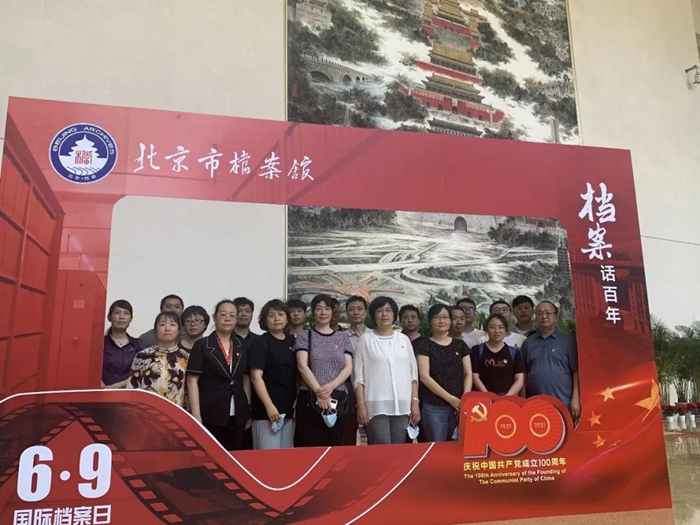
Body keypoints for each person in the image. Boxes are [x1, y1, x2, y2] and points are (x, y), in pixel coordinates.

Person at [354, 297, 420, 445]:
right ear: (373, 315)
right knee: (381, 448)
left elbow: (413, 375)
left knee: (399, 449)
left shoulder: (404, 339)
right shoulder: (365, 340)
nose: (384, 314)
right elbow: (358, 377)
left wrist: (415, 402)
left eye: (388, 310)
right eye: (380, 311)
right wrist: (361, 406)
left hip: (403, 405)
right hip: (375, 405)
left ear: (394, 315)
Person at [187, 300, 251, 451]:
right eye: (223, 314)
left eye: (232, 315)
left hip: (238, 413)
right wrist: (196, 414)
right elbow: (192, 380)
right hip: (210, 412)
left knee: (234, 455)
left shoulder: (242, 345)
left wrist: (247, 409)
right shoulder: (202, 345)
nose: (227, 318)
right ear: (214, 318)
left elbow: (245, 378)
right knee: (211, 455)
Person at [294, 294, 354, 447]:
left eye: (327, 309)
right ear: (313, 312)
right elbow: (302, 366)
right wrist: (319, 392)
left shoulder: (342, 337)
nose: (323, 312)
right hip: (310, 398)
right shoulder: (304, 336)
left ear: (332, 312)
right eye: (319, 308)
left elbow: (348, 367)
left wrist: (330, 387)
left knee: (335, 446)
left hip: (337, 397)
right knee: (309, 446)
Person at [416, 305, 473, 442]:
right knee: (438, 446)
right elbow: (424, 377)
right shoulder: (424, 345)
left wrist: (464, 399)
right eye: (437, 317)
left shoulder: (460, 345)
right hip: (434, 406)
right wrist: (451, 399)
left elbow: (468, 373)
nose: (442, 321)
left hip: (459, 405)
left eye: (445, 317)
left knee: (459, 446)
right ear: (430, 321)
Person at [249, 300, 297, 450]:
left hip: (288, 410)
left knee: (286, 457)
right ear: (265, 320)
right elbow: (256, 377)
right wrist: (269, 406)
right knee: (267, 457)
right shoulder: (260, 342)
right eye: (271, 315)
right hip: (266, 412)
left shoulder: (292, 341)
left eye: (281, 314)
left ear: (287, 318)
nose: (276, 319)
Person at [522, 301, 580, 421]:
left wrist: (575, 399)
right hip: (535, 402)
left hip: (563, 401)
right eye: (539, 313)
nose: (544, 316)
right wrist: (523, 401)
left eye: (548, 313)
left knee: (564, 431)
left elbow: (576, 371)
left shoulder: (568, 341)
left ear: (556, 316)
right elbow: (523, 374)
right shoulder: (528, 343)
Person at [128, 311, 189, 407]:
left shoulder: (186, 357)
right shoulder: (143, 355)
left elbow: (190, 391)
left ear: (178, 331)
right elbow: (132, 387)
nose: (167, 328)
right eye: (162, 324)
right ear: (156, 330)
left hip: (177, 412)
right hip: (147, 410)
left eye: (172, 324)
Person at [471, 314, 525, 396]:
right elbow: (475, 376)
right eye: (492, 327)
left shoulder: (514, 352)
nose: (496, 331)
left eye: (500, 327)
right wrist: (488, 395)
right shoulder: (477, 350)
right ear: (486, 330)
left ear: (506, 330)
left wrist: (507, 397)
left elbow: (519, 379)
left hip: (507, 399)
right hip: (483, 398)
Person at [343, 295, 368, 445]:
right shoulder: (340, 337)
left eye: (359, 309)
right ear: (347, 313)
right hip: (349, 390)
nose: (356, 312)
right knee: (349, 433)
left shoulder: (374, 335)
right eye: (351, 309)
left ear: (366, 312)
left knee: (375, 434)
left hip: (372, 389)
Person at [101, 300, 140, 389]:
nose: (122, 317)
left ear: (131, 319)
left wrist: (114, 387)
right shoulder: (100, 343)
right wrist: (103, 387)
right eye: (117, 313)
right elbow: (91, 369)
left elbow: (139, 372)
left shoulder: (138, 345)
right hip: (101, 392)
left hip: (129, 392)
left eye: (126, 313)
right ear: (109, 317)